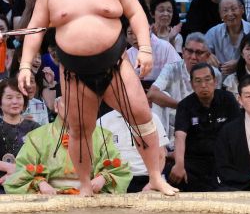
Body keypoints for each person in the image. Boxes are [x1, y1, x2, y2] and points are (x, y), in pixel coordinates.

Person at [18, 0, 177, 197]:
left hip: (115, 65)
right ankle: (84, 186)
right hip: (74, 72)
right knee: (80, 130)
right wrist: (25, 65)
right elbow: (35, 30)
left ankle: (155, 178)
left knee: (142, 118)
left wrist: (145, 48)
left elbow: (136, 13)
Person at [4, 96, 132, 195]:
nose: (72, 108)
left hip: (91, 195)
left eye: (77, 104)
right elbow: (21, 169)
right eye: (67, 103)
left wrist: (103, 179)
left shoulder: (102, 135)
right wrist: (40, 183)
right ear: (56, 106)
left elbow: (119, 168)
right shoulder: (37, 136)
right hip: (49, 196)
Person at [169, 63, 240, 191]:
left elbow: (238, 132)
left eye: (207, 79)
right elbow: (180, 136)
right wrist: (179, 164)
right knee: (172, 174)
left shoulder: (228, 99)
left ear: (215, 81)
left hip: (224, 160)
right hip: (195, 162)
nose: (203, 85)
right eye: (198, 81)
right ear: (191, 84)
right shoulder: (185, 105)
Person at [148, 33, 222, 149]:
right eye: (189, 51)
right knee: (160, 97)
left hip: (201, 122)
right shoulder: (171, 69)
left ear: (207, 56)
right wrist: (183, 107)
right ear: (183, 52)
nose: (193, 57)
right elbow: (152, 93)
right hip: (173, 122)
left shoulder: (215, 74)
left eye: (198, 53)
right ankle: (160, 148)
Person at [98, 109, 169, 193]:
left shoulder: (151, 117)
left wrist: (153, 182)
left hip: (147, 179)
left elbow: (161, 154)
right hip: (114, 181)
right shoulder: (102, 121)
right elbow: (97, 157)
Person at [205, 0, 250, 77]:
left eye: (233, 9)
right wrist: (207, 55)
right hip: (220, 83)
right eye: (225, 10)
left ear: (242, 9)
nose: (230, 14)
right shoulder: (213, 32)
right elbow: (201, 51)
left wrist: (240, 64)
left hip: (248, 80)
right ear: (220, 14)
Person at [0, 78, 40, 192]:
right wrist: (7, 167)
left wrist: (16, 173)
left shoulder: (34, 128)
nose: (15, 101)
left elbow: (41, 161)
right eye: (9, 97)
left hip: (26, 185)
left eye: (19, 97)